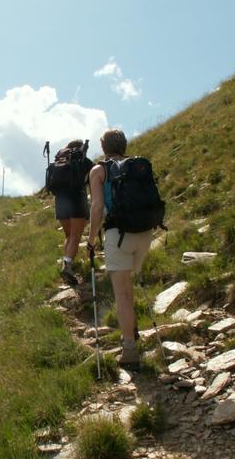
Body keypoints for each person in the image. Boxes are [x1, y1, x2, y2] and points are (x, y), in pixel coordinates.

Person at [86, 129, 153, 370]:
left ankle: (130, 350)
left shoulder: (98, 170)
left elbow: (97, 208)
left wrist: (91, 239)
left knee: (122, 294)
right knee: (129, 285)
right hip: (144, 232)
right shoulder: (138, 165)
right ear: (123, 145)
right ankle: (132, 330)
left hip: (118, 234)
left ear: (104, 147)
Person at [53, 140, 94, 284]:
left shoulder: (60, 161)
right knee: (75, 237)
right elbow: (93, 180)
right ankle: (67, 265)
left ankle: (66, 262)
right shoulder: (84, 161)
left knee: (69, 236)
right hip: (77, 199)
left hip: (60, 201)